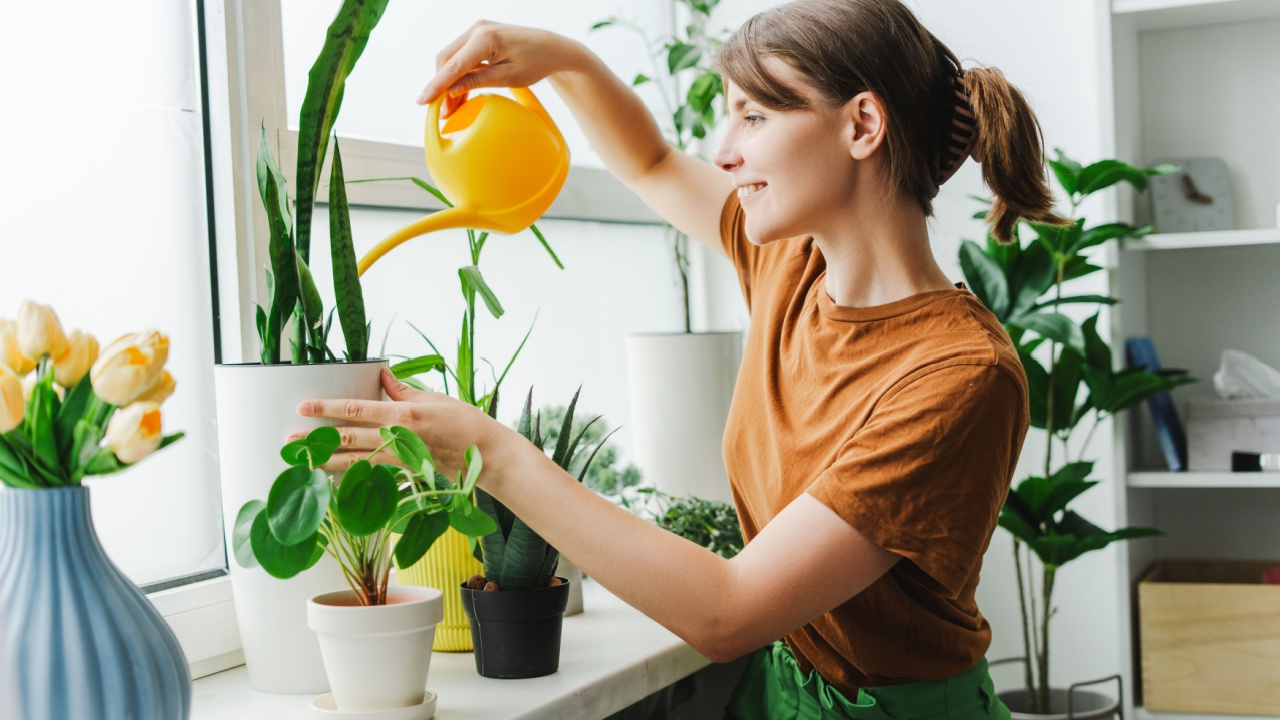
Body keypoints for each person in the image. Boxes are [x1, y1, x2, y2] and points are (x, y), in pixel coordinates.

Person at [295, 1, 1066, 717]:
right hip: (785, 692)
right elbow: (653, 164)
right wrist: (562, 58)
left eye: (754, 115)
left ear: (862, 124)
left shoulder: (960, 376)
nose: (724, 152)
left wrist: (493, 454)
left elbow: (728, 612)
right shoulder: (792, 266)